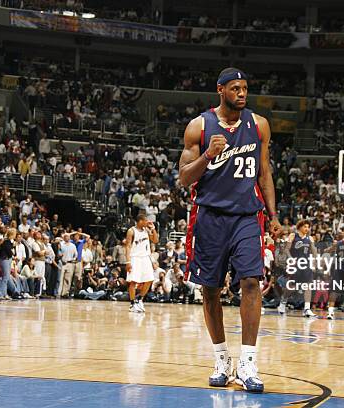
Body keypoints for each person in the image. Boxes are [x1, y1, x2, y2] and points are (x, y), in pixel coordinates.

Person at [178, 67, 281, 393]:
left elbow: (264, 172)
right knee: (210, 289)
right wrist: (208, 155)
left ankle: (248, 361)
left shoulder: (259, 124)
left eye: (245, 88)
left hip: (247, 216)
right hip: (209, 217)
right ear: (220, 90)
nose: (242, 93)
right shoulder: (199, 126)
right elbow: (185, 178)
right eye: (235, 88)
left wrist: (274, 215)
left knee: (251, 281)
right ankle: (221, 358)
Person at [278, 219, 316, 317]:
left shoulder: (310, 238)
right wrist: (291, 259)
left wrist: (315, 260)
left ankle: (307, 308)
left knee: (308, 285)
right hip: (295, 264)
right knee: (292, 286)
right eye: (305, 227)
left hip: (306, 264)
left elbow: (314, 252)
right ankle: (282, 303)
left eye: (308, 227)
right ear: (300, 227)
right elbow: (286, 249)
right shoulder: (293, 235)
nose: (307, 229)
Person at [124, 213, 159, 312]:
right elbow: (128, 246)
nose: (147, 222)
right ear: (140, 221)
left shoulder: (147, 230)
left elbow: (155, 240)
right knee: (133, 281)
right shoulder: (131, 231)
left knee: (149, 279)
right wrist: (128, 261)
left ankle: (139, 299)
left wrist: (153, 229)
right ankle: (132, 304)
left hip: (145, 257)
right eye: (145, 220)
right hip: (135, 258)